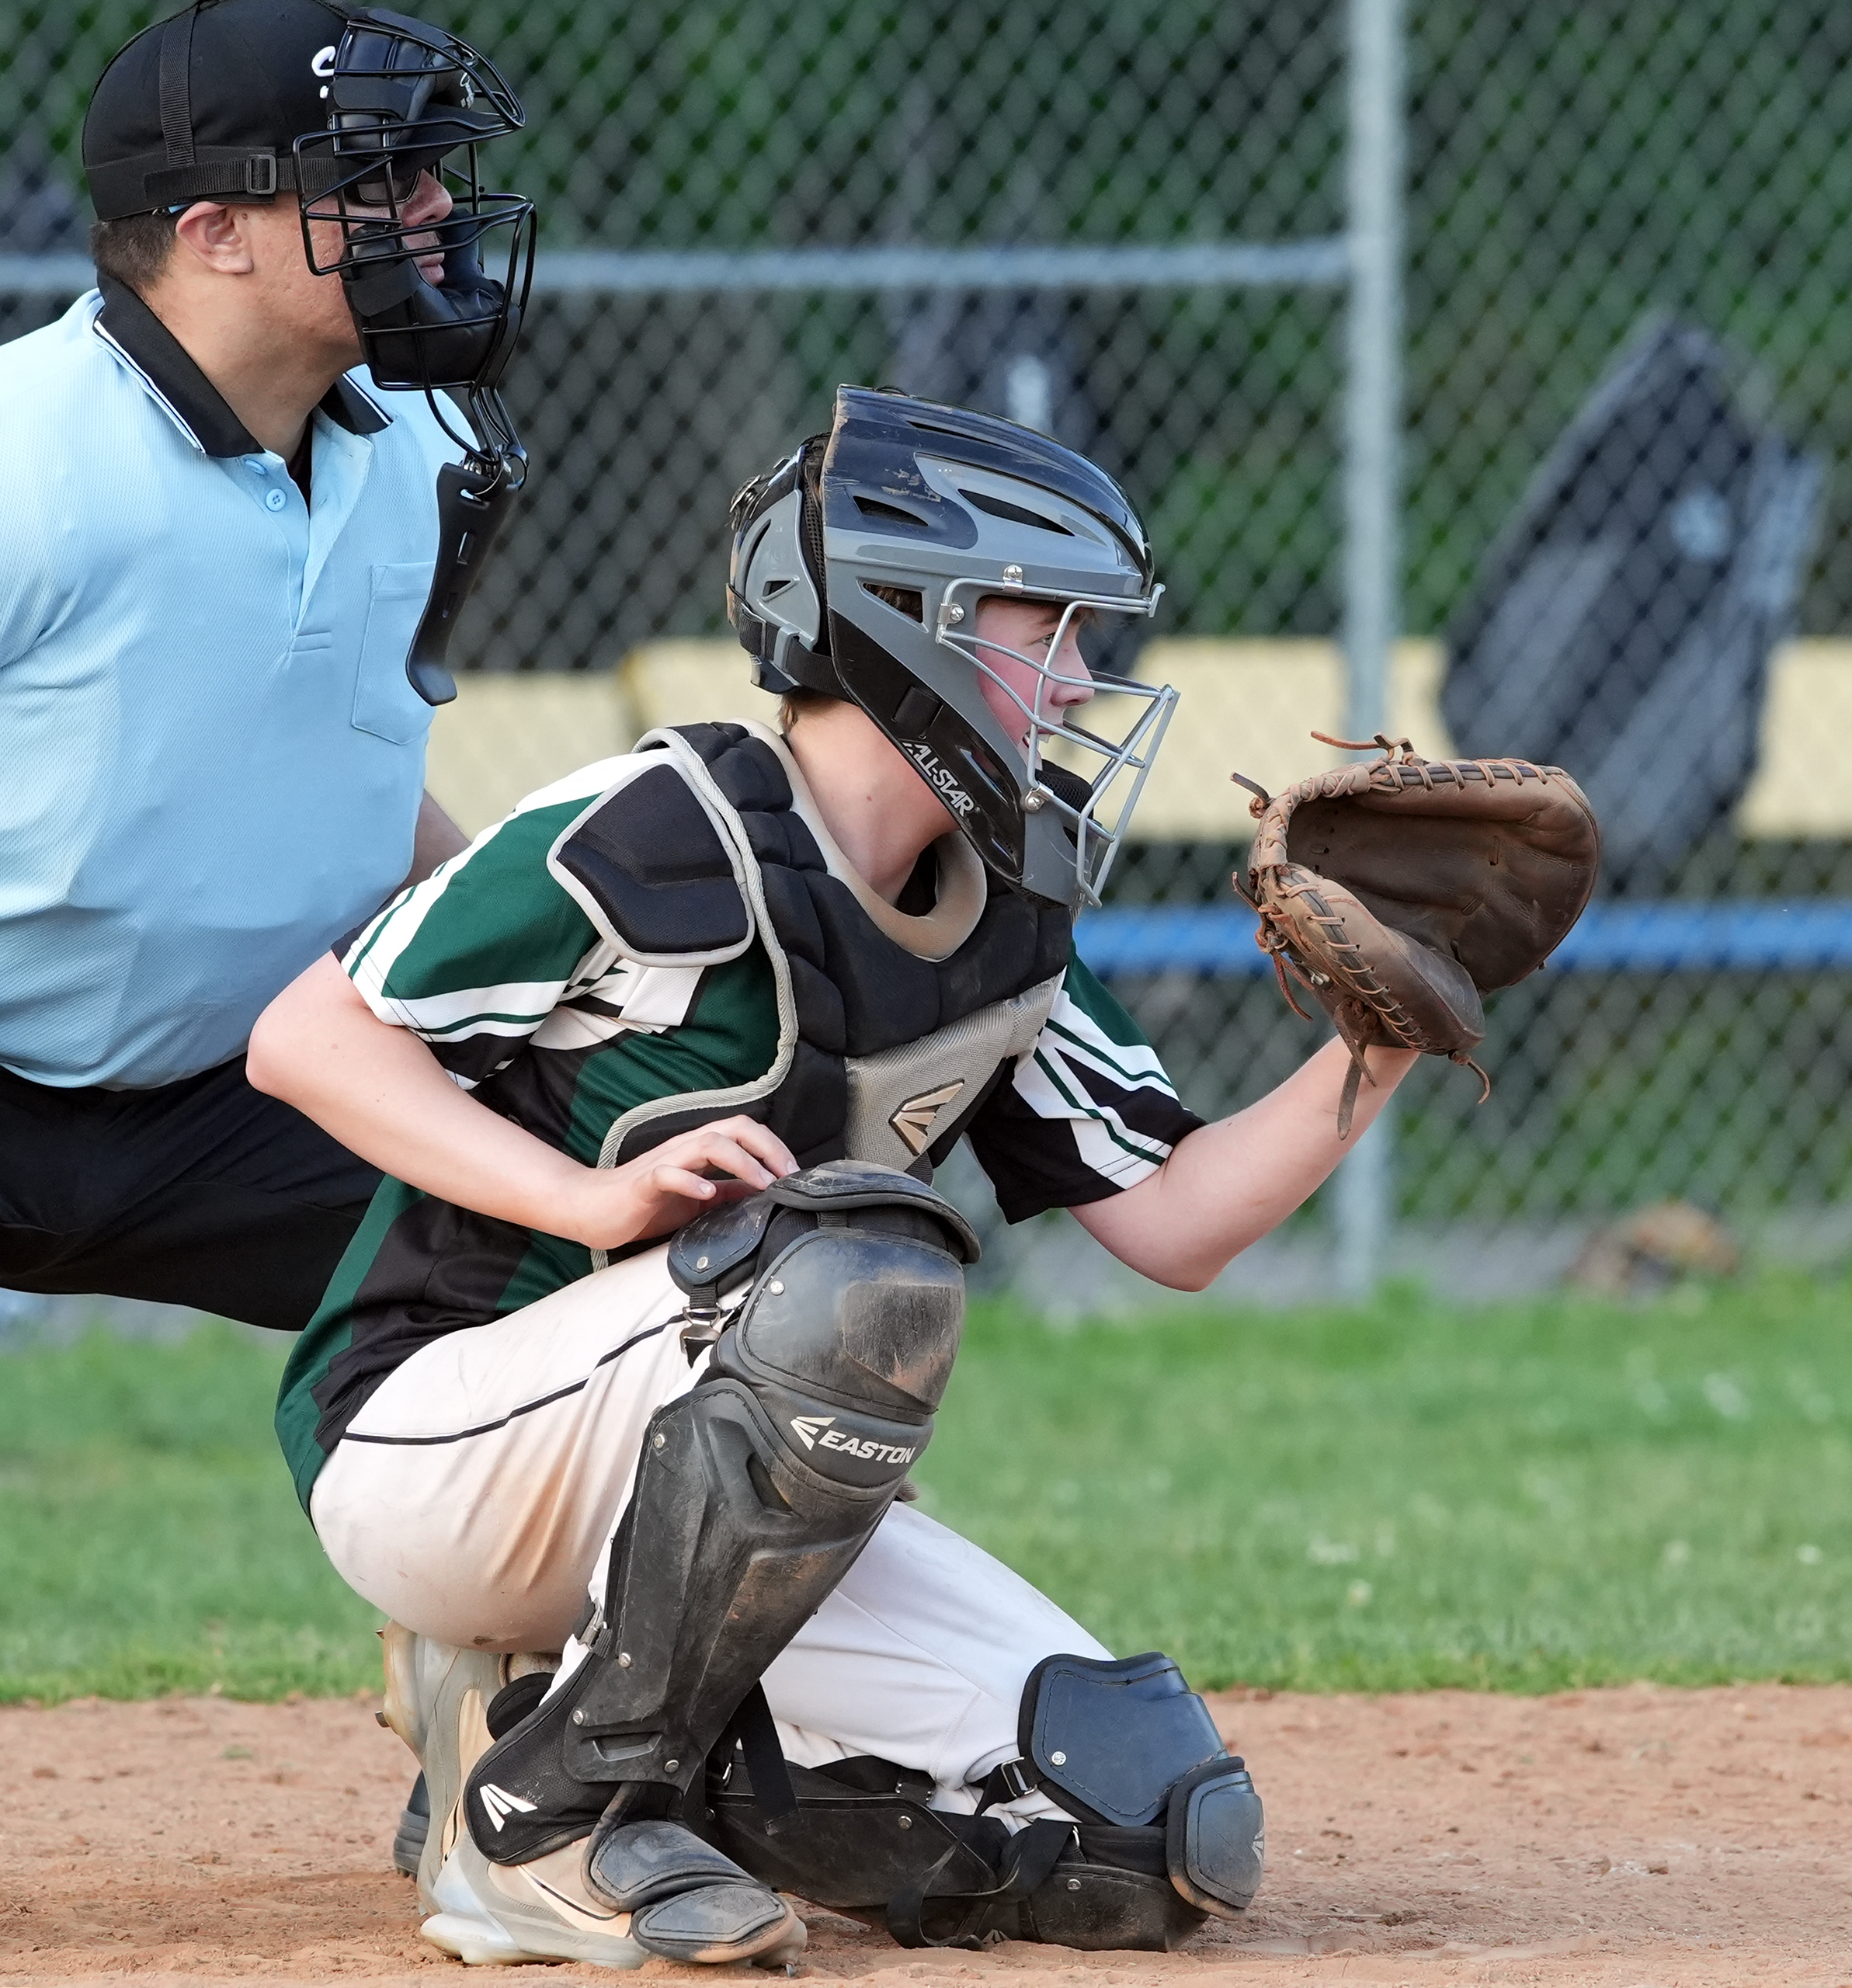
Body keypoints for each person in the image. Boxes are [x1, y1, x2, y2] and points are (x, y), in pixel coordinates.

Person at [247, 388, 1416, 1967]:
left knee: (1150, 1825)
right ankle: (543, 1824)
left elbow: (1178, 1216)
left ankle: (518, 1715)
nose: (1085, 677)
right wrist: (589, 1204)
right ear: (907, 618)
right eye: (1051, 628)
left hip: (698, 1482)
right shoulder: (662, 825)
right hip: (431, 1440)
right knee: (852, 1282)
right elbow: (309, 1040)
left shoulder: (1003, 908)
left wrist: (1384, 1042)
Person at [0, 0, 532, 1333]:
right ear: (214, 232)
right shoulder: (28, 455)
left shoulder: (422, 442)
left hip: (254, 1089)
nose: (431, 207)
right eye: (378, 179)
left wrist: (564, 942)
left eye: (429, 170)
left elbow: (356, 764)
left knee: (646, 1259)